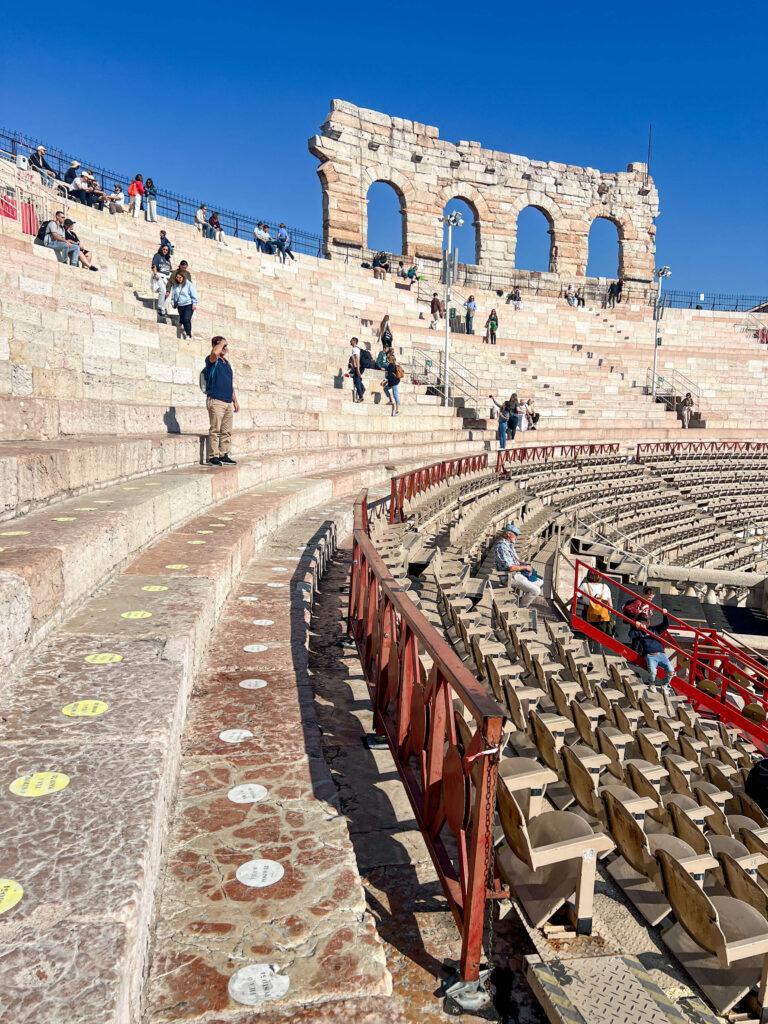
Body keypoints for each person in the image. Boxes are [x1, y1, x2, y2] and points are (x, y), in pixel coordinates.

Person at [202, 336, 239, 466]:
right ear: (216, 345)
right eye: (223, 346)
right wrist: (221, 343)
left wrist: (235, 401)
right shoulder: (212, 359)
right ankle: (213, 456)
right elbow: (215, 353)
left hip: (227, 400)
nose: (225, 348)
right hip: (216, 399)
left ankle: (224, 454)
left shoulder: (226, 363)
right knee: (215, 429)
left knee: (226, 430)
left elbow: (230, 383)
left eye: (226, 346)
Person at [494, 523, 543, 608]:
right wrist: (525, 567)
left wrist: (527, 567)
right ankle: (520, 607)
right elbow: (511, 567)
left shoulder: (509, 544)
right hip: (509, 576)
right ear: (508, 534)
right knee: (536, 591)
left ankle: (520, 600)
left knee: (540, 582)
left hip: (517, 573)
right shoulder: (501, 546)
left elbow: (517, 560)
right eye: (515, 535)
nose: (516, 537)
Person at [636, 610, 674, 686]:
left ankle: (665, 685)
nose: (643, 624)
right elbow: (631, 635)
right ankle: (652, 684)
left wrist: (665, 615)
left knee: (671, 671)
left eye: (645, 622)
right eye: (641, 622)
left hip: (661, 654)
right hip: (650, 655)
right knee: (653, 672)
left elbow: (665, 625)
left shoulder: (654, 629)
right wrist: (635, 626)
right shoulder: (638, 632)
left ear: (648, 623)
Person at [580, 569, 613, 649]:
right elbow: (610, 606)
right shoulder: (605, 587)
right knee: (602, 636)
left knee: (589, 635)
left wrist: (565, 605)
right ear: (599, 576)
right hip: (602, 616)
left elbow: (575, 597)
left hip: (589, 614)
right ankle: (600, 651)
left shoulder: (584, 585)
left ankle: (589, 650)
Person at [622, 586, 655, 651]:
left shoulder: (649, 604)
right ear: (644, 595)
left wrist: (650, 611)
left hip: (644, 625)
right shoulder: (638, 601)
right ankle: (632, 658)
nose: (650, 599)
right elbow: (628, 608)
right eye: (649, 597)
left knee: (641, 643)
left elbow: (649, 609)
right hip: (637, 624)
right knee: (636, 642)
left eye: (652, 598)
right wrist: (638, 611)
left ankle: (637, 658)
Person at [170, 271, 197, 339]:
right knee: (183, 319)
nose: (178, 279)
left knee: (186, 319)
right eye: (177, 277)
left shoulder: (189, 284)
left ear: (183, 277)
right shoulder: (175, 285)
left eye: (180, 277)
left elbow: (193, 294)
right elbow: (173, 295)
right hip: (180, 306)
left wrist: (194, 304)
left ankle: (188, 335)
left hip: (188, 304)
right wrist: (173, 302)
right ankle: (181, 324)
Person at [151, 243, 173, 320]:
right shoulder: (157, 255)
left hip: (167, 277)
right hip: (159, 276)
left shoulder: (168, 258)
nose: (165, 251)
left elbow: (170, 269)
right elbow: (154, 265)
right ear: (161, 249)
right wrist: (155, 273)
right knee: (163, 290)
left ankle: (162, 306)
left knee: (167, 293)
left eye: (167, 250)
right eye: (164, 249)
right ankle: (160, 307)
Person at [383, 350, 404, 416]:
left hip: (394, 382)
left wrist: (384, 380)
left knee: (395, 394)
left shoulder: (391, 365)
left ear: (389, 359)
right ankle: (391, 400)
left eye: (388, 359)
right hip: (393, 381)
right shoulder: (393, 365)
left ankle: (397, 410)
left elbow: (389, 375)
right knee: (385, 389)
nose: (387, 360)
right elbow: (390, 374)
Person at [348, 337, 365, 402]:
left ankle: (361, 396)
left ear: (354, 341)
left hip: (357, 367)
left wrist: (357, 369)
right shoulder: (356, 349)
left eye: (351, 340)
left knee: (356, 381)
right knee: (357, 380)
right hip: (357, 367)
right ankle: (363, 389)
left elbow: (357, 359)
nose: (350, 341)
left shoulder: (355, 349)